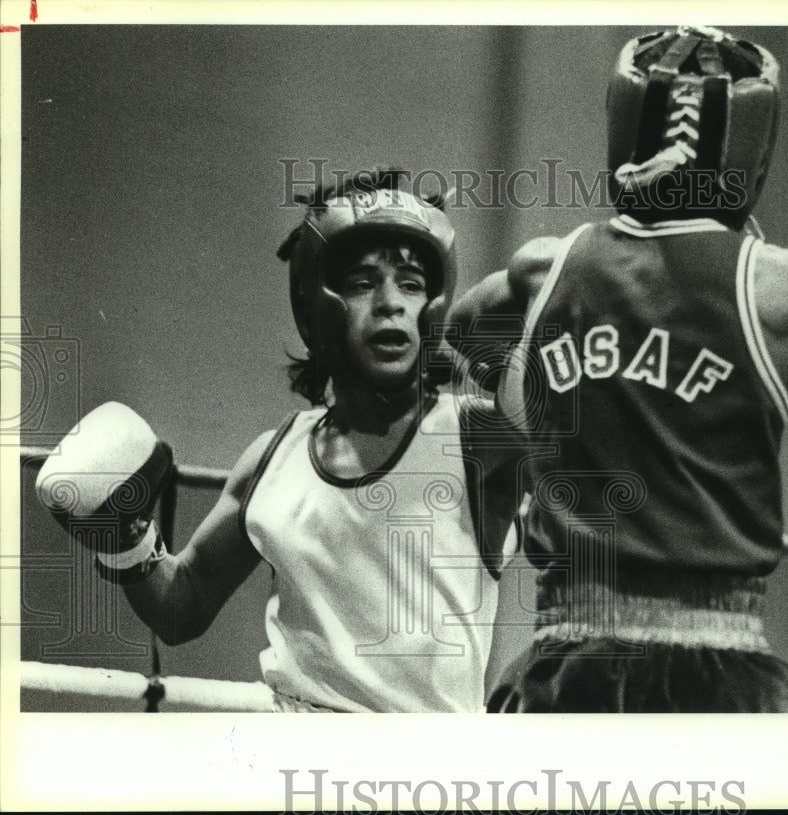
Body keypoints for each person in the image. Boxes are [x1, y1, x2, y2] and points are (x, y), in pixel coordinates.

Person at [446, 26, 788, 713]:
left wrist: (553, 393)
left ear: (624, 128)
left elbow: (463, 330)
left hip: (568, 669)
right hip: (725, 675)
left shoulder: (547, 267)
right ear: (754, 154)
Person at [35, 168, 523, 712]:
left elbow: (588, 410)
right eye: (364, 282)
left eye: (412, 284)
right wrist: (124, 542)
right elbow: (183, 606)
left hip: (422, 780)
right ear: (317, 301)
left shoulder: (479, 439)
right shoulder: (273, 458)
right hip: (292, 765)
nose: (391, 303)